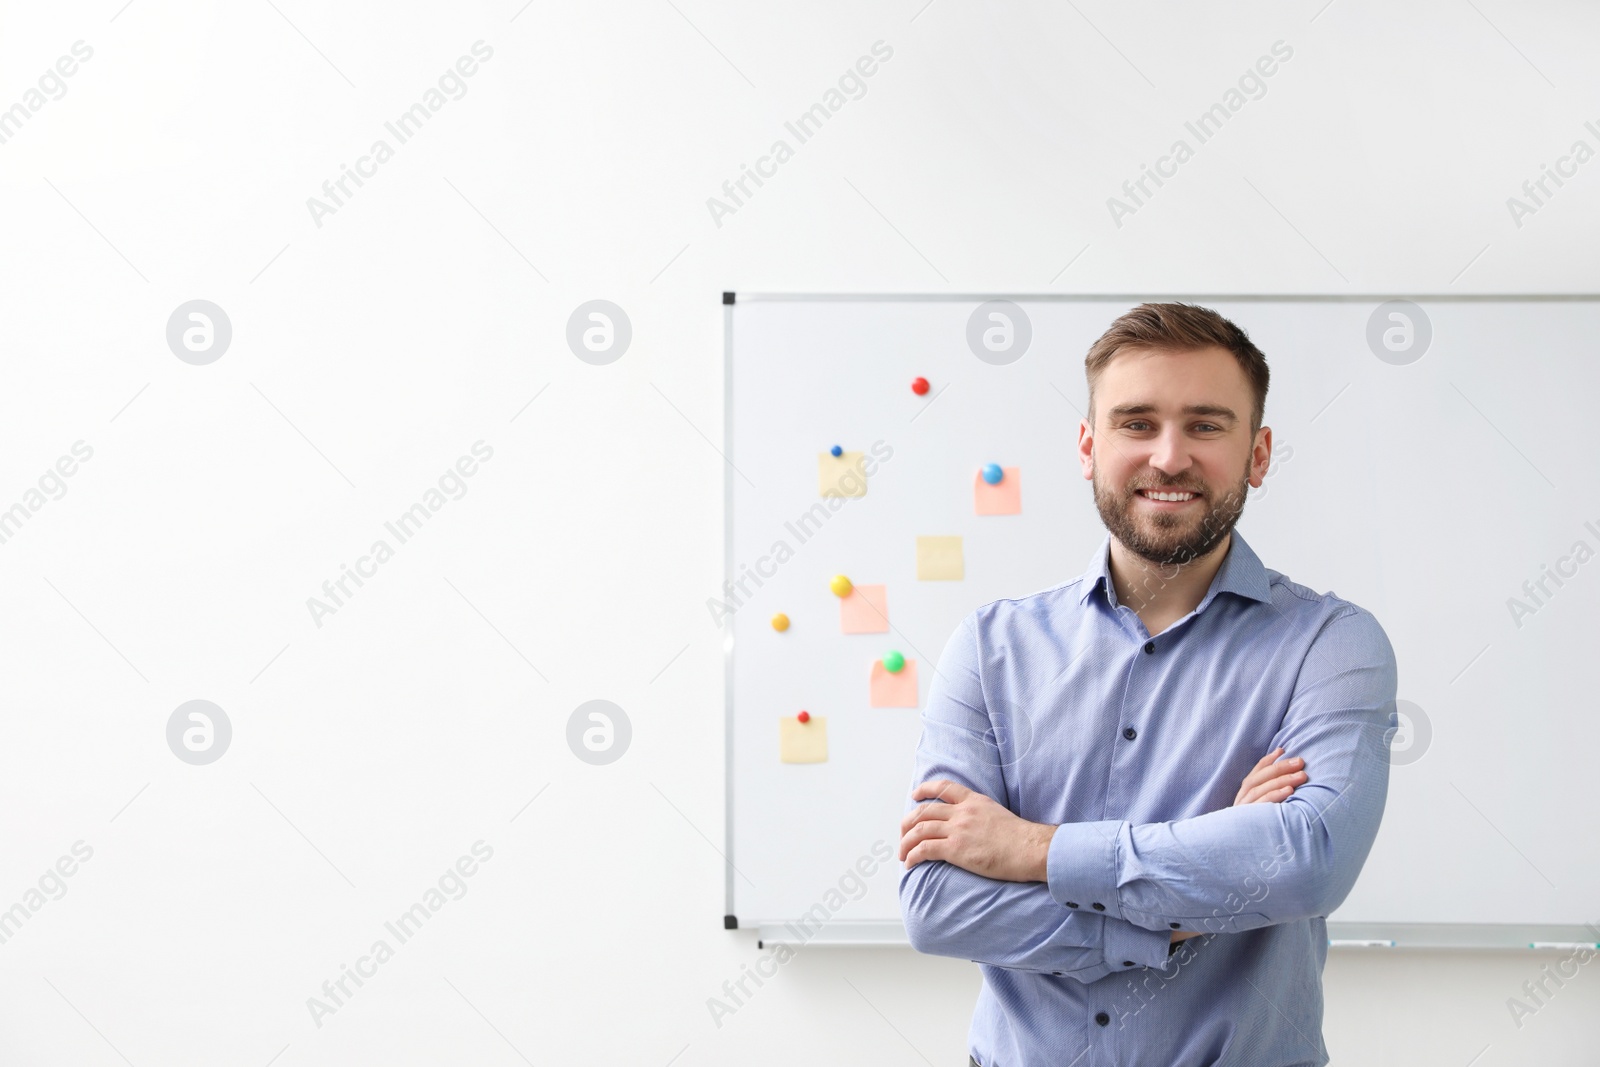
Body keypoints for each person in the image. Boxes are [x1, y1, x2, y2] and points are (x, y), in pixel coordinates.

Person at [898, 302, 1397, 1067]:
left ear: (1257, 454)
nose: (1168, 457)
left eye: (1206, 425)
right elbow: (938, 907)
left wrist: (1035, 849)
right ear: (1089, 446)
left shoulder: (1332, 645)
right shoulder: (990, 647)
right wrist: (1200, 892)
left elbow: (1307, 861)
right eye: (1137, 423)